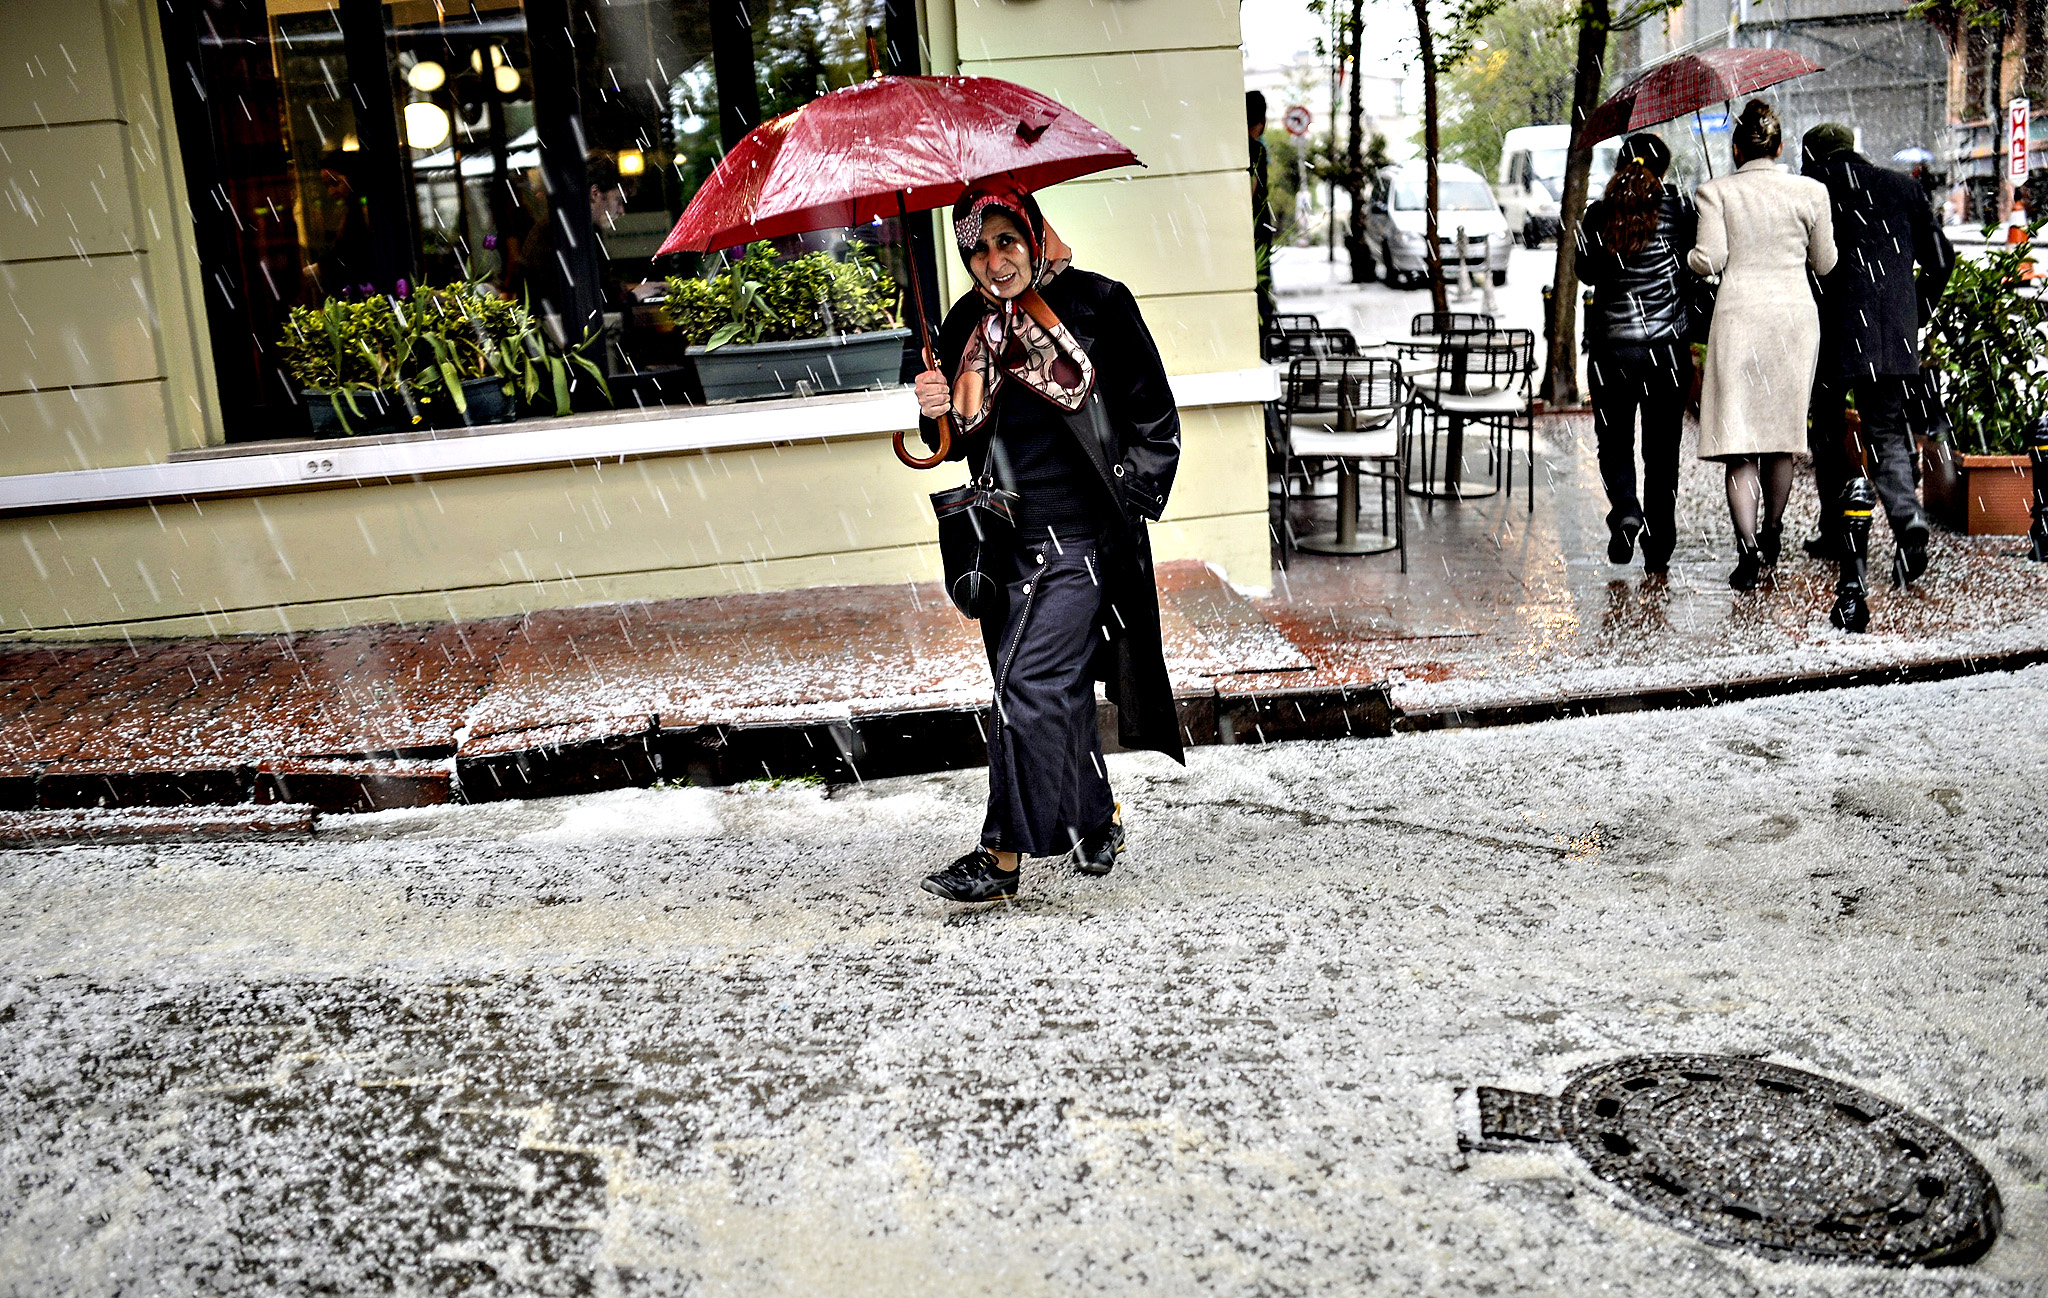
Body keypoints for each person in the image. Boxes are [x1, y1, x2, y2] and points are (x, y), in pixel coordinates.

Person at [911, 183, 1183, 904]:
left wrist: (1127, 501)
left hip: (1079, 538)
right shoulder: (965, 322)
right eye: (977, 249)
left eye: (1006, 241)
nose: (995, 262)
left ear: (1032, 235)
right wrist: (932, 405)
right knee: (1044, 686)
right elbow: (949, 441)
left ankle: (1000, 857)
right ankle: (1097, 814)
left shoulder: (1098, 303)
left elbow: (1155, 415)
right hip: (999, 539)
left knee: (1023, 684)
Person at [1686, 100, 1837, 591]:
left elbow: (1710, 259)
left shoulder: (1715, 191)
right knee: (1781, 436)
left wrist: (1690, 256)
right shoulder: (1811, 191)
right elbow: (1825, 263)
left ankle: (1747, 546)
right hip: (1793, 319)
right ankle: (1773, 532)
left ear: (1734, 148)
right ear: (1779, 146)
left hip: (1740, 317)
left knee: (1740, 442)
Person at [1801, 122, 1955, 584]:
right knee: (1886, 430)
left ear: (1813, 157)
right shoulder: (1898, 186)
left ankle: (1838, 530)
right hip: (1890, 329)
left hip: (1832, 327)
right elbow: (1941, 259)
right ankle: (1907, 517)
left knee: (1826, 431)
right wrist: (1917, 308)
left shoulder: (1813, 189)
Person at [1575, 133, 1697, 576]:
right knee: (1662, 452)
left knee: (1614, 441)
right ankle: (1659, 543)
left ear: (1618, 166)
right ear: (1662, 170)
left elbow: (1584, 271)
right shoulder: (1681, 211)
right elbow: (1698, 261)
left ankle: (1626, 509)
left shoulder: (1599, 214)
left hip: (1612, 350)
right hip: (1666, 350)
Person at [304, 149, 377, 299]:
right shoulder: (352, 209)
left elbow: (352, 255)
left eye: (335, 183)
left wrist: (319, 269)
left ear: (352, 177)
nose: (331, 192)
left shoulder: (365, 210)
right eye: (327, 186)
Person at [1248, 91, 1278, 334]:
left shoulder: (1238, 148)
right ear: (1262, 119)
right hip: (1256, 235)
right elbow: (1251, 191)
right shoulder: (1256, 150)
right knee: (1260, 292)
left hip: (1253, 233)